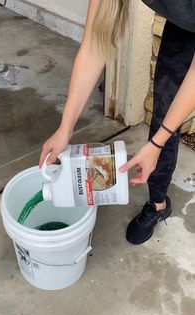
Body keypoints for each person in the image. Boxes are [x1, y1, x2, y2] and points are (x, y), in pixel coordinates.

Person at [39, 0, 195, 245]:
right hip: (186, 23)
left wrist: (155, 145)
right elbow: (94, 45)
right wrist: (65, 128)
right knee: (166, 104)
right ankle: (158, 203)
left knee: (169, 124)